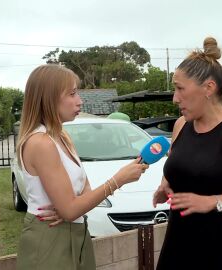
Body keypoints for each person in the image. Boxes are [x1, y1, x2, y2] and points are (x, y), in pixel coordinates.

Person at [15, 64, 148, 270]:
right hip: (50, 236)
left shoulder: (61, 136)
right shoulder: (41, 142)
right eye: (72, 93)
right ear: (49, 98)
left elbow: (83, 194)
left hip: (76, 232)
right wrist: (118, 180)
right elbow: (71, 208)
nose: (80, 101)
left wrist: (71, 206)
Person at [153, 37, 222, 270]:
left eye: (180, 88)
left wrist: (213, 202)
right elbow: (179, 165)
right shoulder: (181, 125)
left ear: (208, 88)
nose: (175, 98)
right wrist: (166, 183)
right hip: (177, 250)